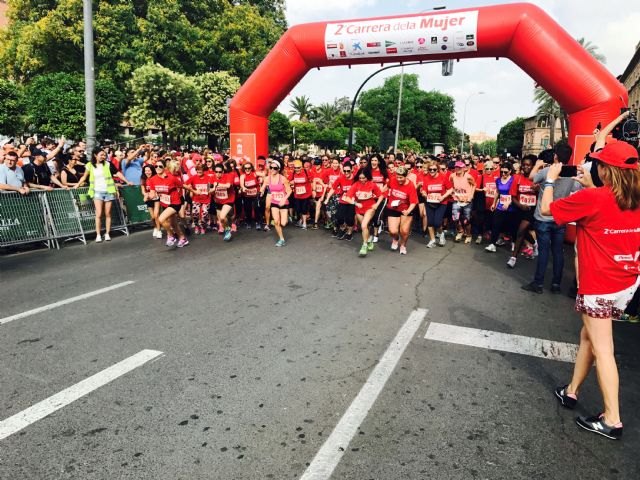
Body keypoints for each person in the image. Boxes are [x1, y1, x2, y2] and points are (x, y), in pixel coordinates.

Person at [545, 141, 640, 440]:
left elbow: (548, 209)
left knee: (603, 349)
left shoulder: (594, 198)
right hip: (626, 283)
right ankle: (571, 391)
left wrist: (550, 179)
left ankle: (612, 419)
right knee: (589, 336)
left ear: (605, 170)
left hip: (598, 285)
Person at [522, 143, 581, 294]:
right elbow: (575, 189)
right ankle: (556, 284)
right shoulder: (571, 173)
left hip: (543, 217)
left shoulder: (548, 170)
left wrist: (538, 164)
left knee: (544, 252)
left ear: (555, 156)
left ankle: (538, 283)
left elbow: (531, 178)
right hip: (559, 218)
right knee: (558, 252)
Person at [76, 147, 132, 243]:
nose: (103, 156)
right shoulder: (89, 165)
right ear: (95, 155)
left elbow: (117, 173)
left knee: (108, 213)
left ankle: (107, 233)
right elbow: (84, 177)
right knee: (98, 213)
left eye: (104, 155)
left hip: (108, 191)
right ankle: (98, 234)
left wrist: (127, 181)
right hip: (97, 192)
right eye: (101, 155)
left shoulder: (108, 164)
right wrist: (77, 185)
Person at [507, 156, 538, 268]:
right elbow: (513, 196)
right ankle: (534, 243)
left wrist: (538, 190)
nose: (525, 167)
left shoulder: (537, 179)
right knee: (518, 231)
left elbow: (542, 196)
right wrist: (520, 205)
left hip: (531, 210)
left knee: (521, 231)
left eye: (528, 165)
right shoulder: (517, 178)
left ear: (533, 166)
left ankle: (513, 257)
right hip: (519, 208)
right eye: (524, 165)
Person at [149, 159, 188, 248]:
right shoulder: (153, 179)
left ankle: (171, 236)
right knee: (174, 224)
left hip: (175, 202)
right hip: (165, 204)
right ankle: (183, 238)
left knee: (161, 219)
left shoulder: (171, 177)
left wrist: (194, 190)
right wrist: (150, 195)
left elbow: (182, 185)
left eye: (160, 166)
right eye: (156, 166)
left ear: (164, 167)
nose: (157, 168)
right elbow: (152, 192)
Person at [344, 169, 384, 257]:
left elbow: (381, 195)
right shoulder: (355, 185)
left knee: (363, 225)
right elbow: (347, 198)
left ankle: (364, 245)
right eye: (360, 178)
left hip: (370, 207)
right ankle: (369, 239)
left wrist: (377, 204)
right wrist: (355, 203)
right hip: (359, 209)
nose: (361, 180)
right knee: (364, 228)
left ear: (367, 177)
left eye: (364, 178)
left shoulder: (372, 184)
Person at [385, 166, 418, 255]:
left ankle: (403, 245)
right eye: (397, 177)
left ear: (406, 176)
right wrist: (382, 192)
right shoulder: (392, 179)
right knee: (393, 231)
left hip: (406, 209)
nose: (398, 179)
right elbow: (387, 187)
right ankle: (395, 239)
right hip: (393, 208)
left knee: (404, 231)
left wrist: (408, 211)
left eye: (401, 177)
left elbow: (413, 202)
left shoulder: (410, 186)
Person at [485, 162, 517, 253]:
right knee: (495, 224)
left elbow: (515, 194)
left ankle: (514, 242)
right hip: (500, 206)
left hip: (511, 206)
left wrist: (509, 202)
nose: (503, 174)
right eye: (502, 172)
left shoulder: (513, 180)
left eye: (505, 172)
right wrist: (493, 203)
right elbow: (498, 192)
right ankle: (492, 244)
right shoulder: (498, 180)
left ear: (510, 171)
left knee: (512, 226)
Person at [421, 160, 452, 248]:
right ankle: (432, 240)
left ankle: (441, 234)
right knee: (430, 222)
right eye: (430, 169)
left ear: (437, 169)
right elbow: (424, 190)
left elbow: (450, 189)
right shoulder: (426, 178)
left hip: (441, 202)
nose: (432, 171)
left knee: (437, 223)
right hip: (429, 202)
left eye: (434, 169)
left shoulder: (443, 177)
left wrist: (443, 196)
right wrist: (424, 194)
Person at [261, 158, 291, 246]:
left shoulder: (283, 179)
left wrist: (284, 199)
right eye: (271, 167)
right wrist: (262, 191)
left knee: (283, 223)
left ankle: (286, 217)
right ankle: (281, 239)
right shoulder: (267, 179)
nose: (272, 170)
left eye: (275, 168)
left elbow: (289, 191)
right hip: (274, 202)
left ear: (278, 169)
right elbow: (263, 187)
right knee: (276, 222)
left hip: (283, 203)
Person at [325, 164, 356, 240]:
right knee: (339, 217)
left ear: (352, 170)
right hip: (343, 200)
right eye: (344, 171)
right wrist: (327, 198)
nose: (346, 172)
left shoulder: (356, 179)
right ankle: (342, 228)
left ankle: (349, 232)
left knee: (350, 219)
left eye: (348, 171)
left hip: (352, 201)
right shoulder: (340, 178)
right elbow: (333, 188)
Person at [448, 160, 476, 243]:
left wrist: (471, 196)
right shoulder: (452, 176)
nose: (458, 169)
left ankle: (468, 235)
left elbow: (474, 185)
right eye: (456, 167)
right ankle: (460, 231)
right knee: (455, 218)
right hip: (457, 200)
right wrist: (453, 193)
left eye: (460, 167)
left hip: (467, 201)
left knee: (467, 219)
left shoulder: (468, 177)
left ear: (463, 168)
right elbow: (451, 186)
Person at [184, 164, 212, 235]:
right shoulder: (193, 178)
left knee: (204, 214)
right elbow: (184, 184)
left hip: (206, 199)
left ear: (203, 170)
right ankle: (197, 226)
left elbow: (210, 188)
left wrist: (210, 191)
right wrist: (191, 189)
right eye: (197, 170)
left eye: (200, 170)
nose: (198, 171)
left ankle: (203, 227)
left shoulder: (208, 178)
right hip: (196, 199)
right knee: (195, 214)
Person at [211, 162, 236, 242]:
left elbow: (228, 185)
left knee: (222, 216)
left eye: (220, 172)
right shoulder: (211, 178)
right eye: (216, 172)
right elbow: (209, 191)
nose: (218, 174)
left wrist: (217, 184)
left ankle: (228, 231)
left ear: (223, 172)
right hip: (218, 201)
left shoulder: (228, 176)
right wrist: (213, 189)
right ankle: (228, 228)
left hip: (229, 200)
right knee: (222, 220)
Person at [140, 164, 162, 238]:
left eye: (149, 170)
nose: (147, 172)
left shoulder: (156, 178)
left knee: (156, 215)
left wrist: (153, 194)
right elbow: (143, 191)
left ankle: (159, 230)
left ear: (152, 171)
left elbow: (158, 189)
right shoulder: (143, 179)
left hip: (156, 198)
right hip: (148, 199)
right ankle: (155, 227)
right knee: (152, 217)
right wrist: (146, 195)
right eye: (146, 171)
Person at [291, 159, 312, 229]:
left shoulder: (306, 172)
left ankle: (304, 223)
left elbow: (312, 180)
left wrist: (313, 190)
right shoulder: (293, 173)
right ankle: (301, 219)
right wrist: (291, 184)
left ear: (301, 167)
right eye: (295, 168)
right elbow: (288, 180)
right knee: (298, 209)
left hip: (306, 194)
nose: (297, 169)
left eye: (298, 168)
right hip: (297, 195)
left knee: (304, 209)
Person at [240, 161, 260, 229]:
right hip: (247, 195)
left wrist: (262, 179)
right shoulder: (243, 176)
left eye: (249, 168)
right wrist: (243, 187)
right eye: (246, 168)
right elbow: (242, 184)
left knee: (256, 208)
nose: (247, 169)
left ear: (251, 168)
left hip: (255, 195)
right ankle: (248, 222)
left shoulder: (255, 174)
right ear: (244, 169)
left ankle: (258, 222)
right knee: (248, 209)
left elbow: (264, 174)